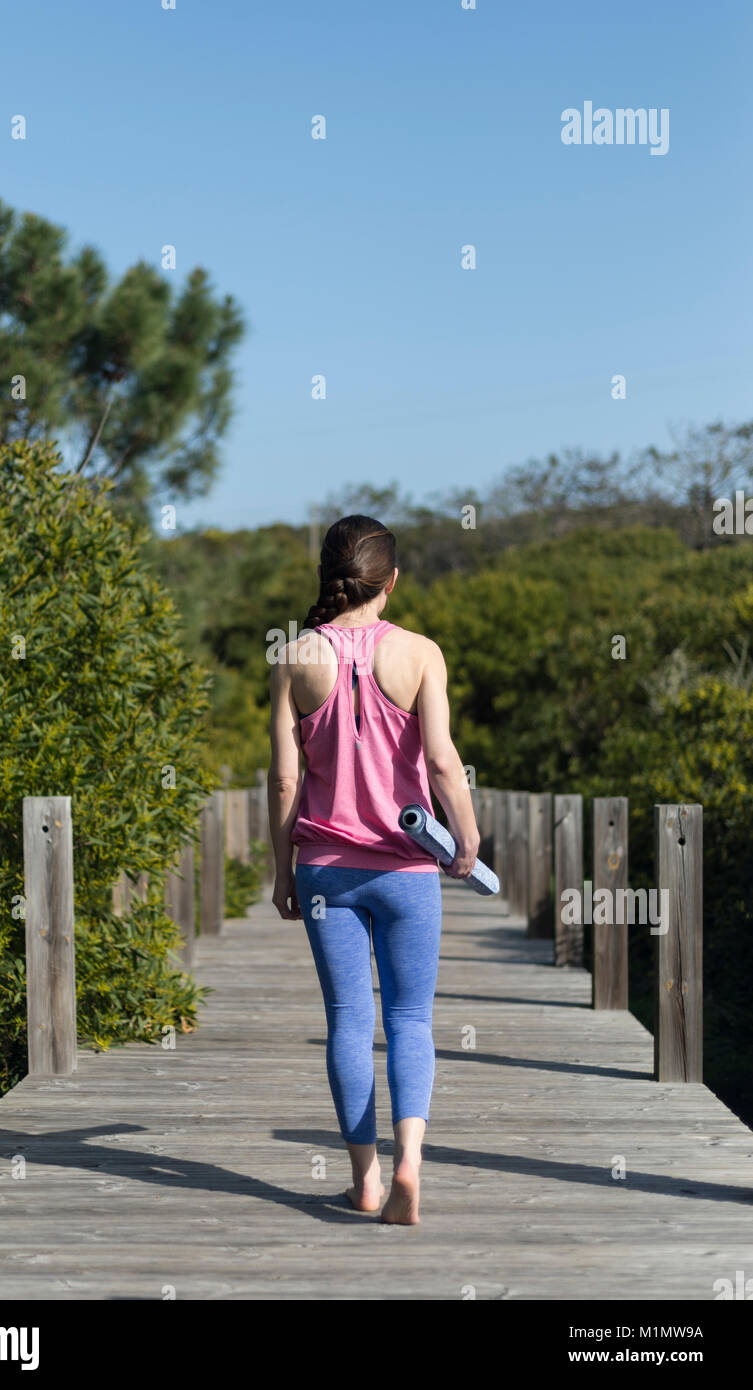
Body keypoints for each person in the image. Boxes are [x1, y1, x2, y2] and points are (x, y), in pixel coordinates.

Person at [268, 514, 479, 1225]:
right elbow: (442, 762)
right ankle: (409, 1165)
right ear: (392, 580)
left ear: (326, 576)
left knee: (348, 1021)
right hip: (408, 870)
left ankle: (363, 1180)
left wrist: (282, 871)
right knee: (411, 1018)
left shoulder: (294, 657)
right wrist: (467, 836)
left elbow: (284, 779)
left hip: (325, 871)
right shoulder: (421, 653)